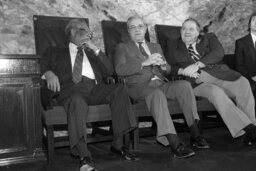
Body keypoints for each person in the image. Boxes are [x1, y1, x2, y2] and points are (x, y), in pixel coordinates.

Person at [41, 18, 139, 171]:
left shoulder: (92, 53)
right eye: (85, 31)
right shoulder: (55, 50)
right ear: (73, 32)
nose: (89, 35)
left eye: (90, 32)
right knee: (77, 101)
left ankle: (117, 144)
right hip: (71, 89)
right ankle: (84, 156)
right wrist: (48, 73)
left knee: (119, 89)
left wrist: (95, 49)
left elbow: (110, 71)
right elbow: (43, 66)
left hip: (95, 89)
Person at [114, 15, 209, 159]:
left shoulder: (155, 46)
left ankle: (195, 135)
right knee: (156, 95)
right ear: (128, 31)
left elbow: (168, 70)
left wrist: (164, 65)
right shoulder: (122, 47)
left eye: (140, 26)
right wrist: (144, 63)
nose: (137, 30)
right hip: (138, 87)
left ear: (145, 28)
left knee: (184, 85)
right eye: (132, 27)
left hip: (160, 83)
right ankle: (175, 143)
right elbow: (119, 70)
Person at [166, 18, 256, 146]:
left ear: (198, 32)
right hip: (198, 82)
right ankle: (247, 128)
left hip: (221, 75)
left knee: (243, 82)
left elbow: (219, 53)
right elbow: (168, 67)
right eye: (183, 28)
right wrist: (182, 71)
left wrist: (197, 64)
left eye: (191, 29)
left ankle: (252, 130)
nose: (186, 32)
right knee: (215, 92)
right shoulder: (173, 45)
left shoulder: (209, 37)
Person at [235, 12, 256, 99]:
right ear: (249, 24)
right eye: (254, 20)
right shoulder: (241, 42)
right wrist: (253, 77)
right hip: (250, 79)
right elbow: (239, 66)